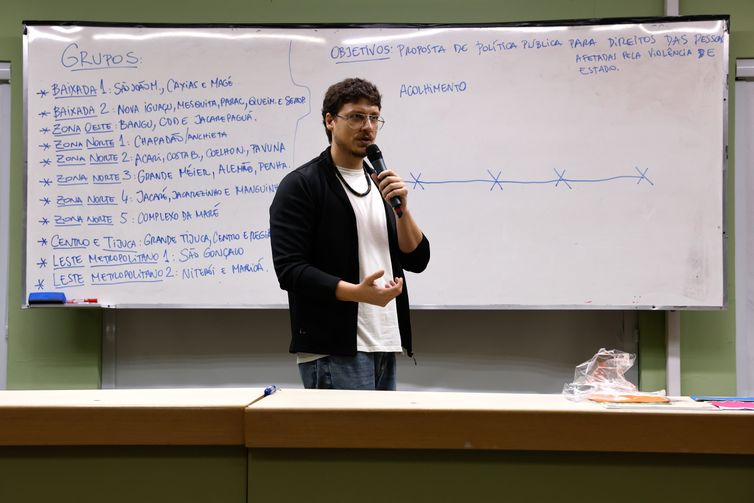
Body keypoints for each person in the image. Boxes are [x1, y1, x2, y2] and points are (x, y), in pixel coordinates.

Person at [269, 77, 430, 390]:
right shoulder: (302, 185)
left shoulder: (379, 183)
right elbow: (290, 271)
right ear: (330, 121)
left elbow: (417, 258)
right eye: (356, 116)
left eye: (374, 117)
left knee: (380, 441)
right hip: (333, 349)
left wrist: (403, 210)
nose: (367, 127)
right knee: (344, 441)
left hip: (385, 341)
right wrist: (357, 292)